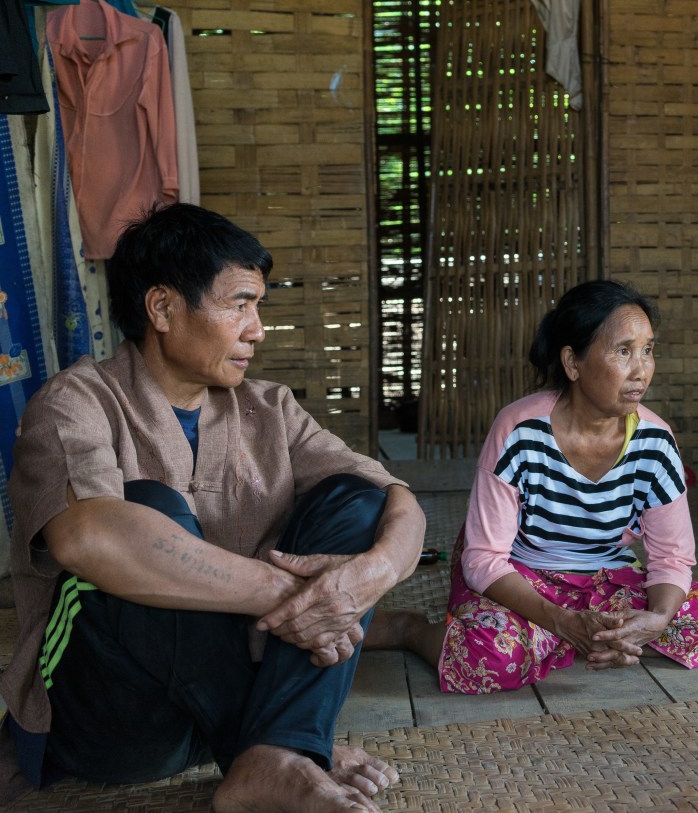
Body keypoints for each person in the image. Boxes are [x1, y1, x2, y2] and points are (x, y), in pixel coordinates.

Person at [0, 203, 426, 812]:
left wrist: (369, 576)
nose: (257, 329)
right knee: (142, 511)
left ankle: (272, 754)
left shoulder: (269, 407)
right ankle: (288, 748)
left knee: (358, 503)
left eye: (259, 307)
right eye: (239, 304)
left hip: (241, 705)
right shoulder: (77, 401)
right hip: (118, 718)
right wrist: (295, 597)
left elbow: (396, 499)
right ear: (164, 308)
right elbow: (85, 539)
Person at [368, 280, 698, 692]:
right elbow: (483, 559)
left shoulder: (656, 442)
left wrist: (654, 622)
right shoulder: (520, 431)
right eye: (623, 351)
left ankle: (583, 642)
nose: (641, 370)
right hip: (520, 578)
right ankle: (410, 629)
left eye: (648, 350)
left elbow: (672, 557)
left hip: (603, 583)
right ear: (572, 363)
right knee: (494, 657)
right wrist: (561, 618)